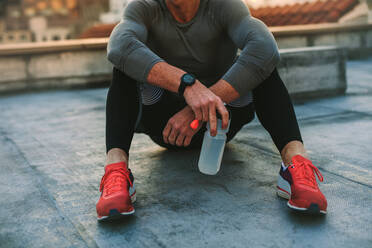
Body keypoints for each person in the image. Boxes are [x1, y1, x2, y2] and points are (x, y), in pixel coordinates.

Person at [96, 0, 327, 221]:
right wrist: (188, 85)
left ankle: (295, 165)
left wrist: (202, 104)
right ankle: (116, 172)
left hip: (221, 123)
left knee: (262, 64)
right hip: (165, 123)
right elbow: (119, 45)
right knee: (124, 67)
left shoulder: (224, 6)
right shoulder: (144, 8)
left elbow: (265, 47)